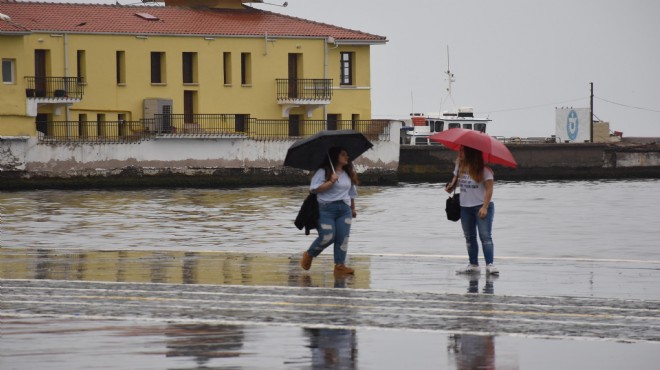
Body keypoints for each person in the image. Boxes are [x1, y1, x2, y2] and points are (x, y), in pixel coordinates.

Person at [300, 146, 358, 275]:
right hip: (325, 209)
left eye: (347, 154)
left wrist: (353, 208)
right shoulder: (323, 172)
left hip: (344, 209)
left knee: (342, 238)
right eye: (343, 154)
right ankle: (309, 254)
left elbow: (351, 193)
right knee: (328, 236)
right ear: (335, 157)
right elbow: (314, 189)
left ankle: (340, 265)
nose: (347, 157)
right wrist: (330, 181)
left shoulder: (348, 173)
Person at [445, 146, 499, 275]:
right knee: (469, 237)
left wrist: (485, 207)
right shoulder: (459, 168)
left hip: (481, 206)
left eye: (462, 150)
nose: (459, 153)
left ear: (470, 153)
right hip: (465, 207)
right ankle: (473, 264)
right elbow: (453, 185)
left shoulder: (485, 170)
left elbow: (490, 189)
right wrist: (449, 187)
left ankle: (490, 265)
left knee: (485, 236)